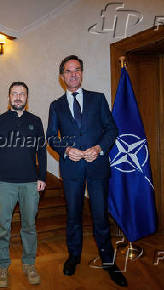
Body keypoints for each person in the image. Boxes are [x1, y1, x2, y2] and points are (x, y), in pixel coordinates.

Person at [46, 55, 127, 287]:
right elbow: (51, 136)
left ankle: (108, 262)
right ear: (62, 77)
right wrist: (66, 149)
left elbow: (112, 128)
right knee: (73, 216)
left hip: (97, 168)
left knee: (101, 216)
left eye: (77, 70)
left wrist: (100, 148)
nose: (73, 74)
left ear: (82, 73)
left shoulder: (98, 99)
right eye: (68, 71)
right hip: (71, 170)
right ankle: (73, 257)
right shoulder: (56, 106)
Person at [0, 81, 47, 287]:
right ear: (9, 97)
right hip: (4, 184)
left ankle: (29, 264)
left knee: (29, 226)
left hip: (30, 183)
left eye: (22, 94)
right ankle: (3, 266)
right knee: (3, 227)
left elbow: (41, 151)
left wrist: (42, 177)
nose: (18, 97)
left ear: (27, 98)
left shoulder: (36, 121)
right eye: (14, 93)